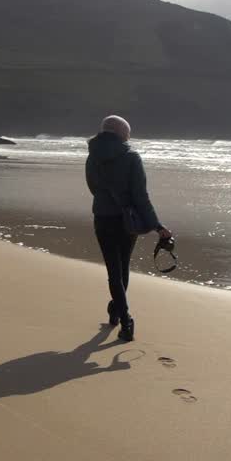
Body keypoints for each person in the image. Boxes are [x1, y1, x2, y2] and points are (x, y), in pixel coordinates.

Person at [85, 115, 172, 341]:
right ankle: (125, 320)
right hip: (126, 220)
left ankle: (117, 311)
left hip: (102, 217)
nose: (129, 136)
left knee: (114, 270)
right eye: (128, 132)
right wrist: (157, 225)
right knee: (122, 268)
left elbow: (93, 188)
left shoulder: (92, 156)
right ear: (121, 133)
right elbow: (141, 197)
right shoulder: (131, 157)